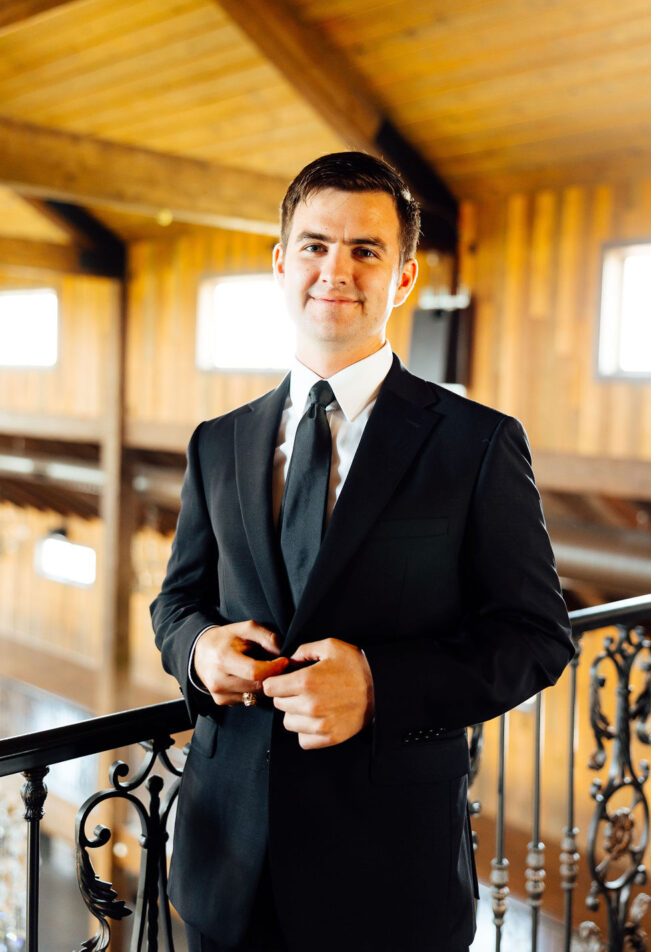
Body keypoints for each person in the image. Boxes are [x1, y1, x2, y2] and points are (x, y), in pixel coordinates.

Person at [151, 152, 574, 952]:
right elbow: (177, 601)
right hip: (223, 866)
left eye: (364, 250)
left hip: (388, 878)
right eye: (313, 245)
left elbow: (535, 636)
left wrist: (379, 686)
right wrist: (199, 648)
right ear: (280, 264)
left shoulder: (476, 444)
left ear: (404, 278)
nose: (333, 270)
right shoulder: (218, 443)